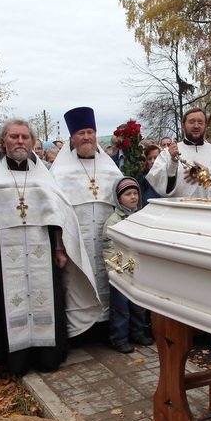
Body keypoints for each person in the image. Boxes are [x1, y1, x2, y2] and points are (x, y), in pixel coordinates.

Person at [0, 119, 99, 375]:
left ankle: (47, 356)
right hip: (3, 253)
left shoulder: (43, 177)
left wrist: (60, 248)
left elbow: (58, 216)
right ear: (3, 141)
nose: (20, 141)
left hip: (42, 250)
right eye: (14, 137)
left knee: (46, 299)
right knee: (9, 302)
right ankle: (16, 361)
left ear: (32, 142)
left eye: (25, 137)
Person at [50, 106, 122, 328]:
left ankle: (106, 325)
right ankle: (80, 329)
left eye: (90, 132)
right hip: (76, 239)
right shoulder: (60, 171)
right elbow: (55, 212)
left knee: (106, 277)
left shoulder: (110, 168)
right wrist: (58, 247)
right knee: (76, 282)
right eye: (81, 133)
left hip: (105, 238)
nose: (86, 137)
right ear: (72, 138)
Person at [102, 177, 154, 353]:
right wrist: (115, 270)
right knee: (121, 306)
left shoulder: (141, 217)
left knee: (139, 304)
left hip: (138, 269)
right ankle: (119, 338)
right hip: (121, 271)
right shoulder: (114, 220)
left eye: (135, 193)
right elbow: (108, 247)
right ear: (118, 198)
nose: (133, 197)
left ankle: (137, 333)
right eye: (127, 194)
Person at [146, 108, 211, 199]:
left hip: (210, 208)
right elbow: (159, 185)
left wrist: (210, 174)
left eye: (200, 122)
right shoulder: (168, 153)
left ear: (205, 126)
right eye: (191, 122)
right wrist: (172, 163)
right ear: (183, 126)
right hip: (179, 208)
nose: (196, 126)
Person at [140, 143, 161, 208]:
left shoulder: (170, 177)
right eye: (149, 158)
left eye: (156, 158)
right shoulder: (142, 180)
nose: (152, 161)